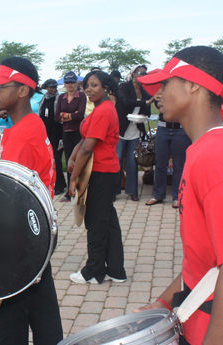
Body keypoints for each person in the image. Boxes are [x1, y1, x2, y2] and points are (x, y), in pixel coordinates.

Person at [136, 46, 223, 345]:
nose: (158, 93)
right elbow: (205, 259)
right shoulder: (209, 148)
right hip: (201, 318)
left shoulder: (215, 156)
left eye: (166, 83)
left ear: (194, 84)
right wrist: (164, 302)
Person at [0, 56, 63, 345]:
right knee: (45, 319)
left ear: (24, 90)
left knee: (9, 330)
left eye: (1, 86)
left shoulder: (21, 136)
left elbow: (7, 202)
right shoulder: (30, 125)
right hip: (35, 239)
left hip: (14, 247)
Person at [68, 71, 127, 285]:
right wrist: (73, 157)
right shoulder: (101, 109)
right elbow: (82, 142)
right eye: (87, 85)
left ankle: (93, 272)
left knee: (95, 223)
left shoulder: (103, 111)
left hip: (101, 172)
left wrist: (73, 179)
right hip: (103, 171)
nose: (89, 89)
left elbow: (87, 148)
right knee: (107, 221)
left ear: (106, 87)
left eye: (94, 85)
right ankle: (116, 270)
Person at [115, 65, 153, 202]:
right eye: (141, 73)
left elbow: (148, 108)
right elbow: (125, 102)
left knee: (132, 161)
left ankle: (132, 191)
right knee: (117, 160)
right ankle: (114, 191)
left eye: (145, 73)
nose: (144, 74)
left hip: (136, 130)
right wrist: (145, 102)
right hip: (121, 130)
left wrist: (145, 112)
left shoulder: (145, 90)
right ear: (134, 74)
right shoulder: (124, 87)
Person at [145, 109, 191, 208]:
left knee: (179, 166)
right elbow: (160, 106)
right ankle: (158, 195)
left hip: (180, 129)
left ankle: (177, 197)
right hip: (163, 128)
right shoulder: (162, 93)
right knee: (160, 164)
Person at [54, 71, 86, 202]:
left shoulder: (81, 96)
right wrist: (71, 115)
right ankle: (70, 191)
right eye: (67, 82)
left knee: (80, 160)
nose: (70, 85)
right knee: (69, 161)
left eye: (72, 82)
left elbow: (81, 115)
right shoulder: (61, 97)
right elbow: (56, 117)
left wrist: (65, 115)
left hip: (78, 132)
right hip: (66, 132)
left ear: (76, 83)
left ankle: (82, 188)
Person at [39, 78, 66, 194]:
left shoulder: (60, 99)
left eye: (54, 87)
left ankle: (60, 185)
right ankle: (57, 182)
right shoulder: (44, 99)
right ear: (46, 88)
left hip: (58, 134)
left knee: (57, 160)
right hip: (47, 135)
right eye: (50, 87)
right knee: (50, 160)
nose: (53, 89)